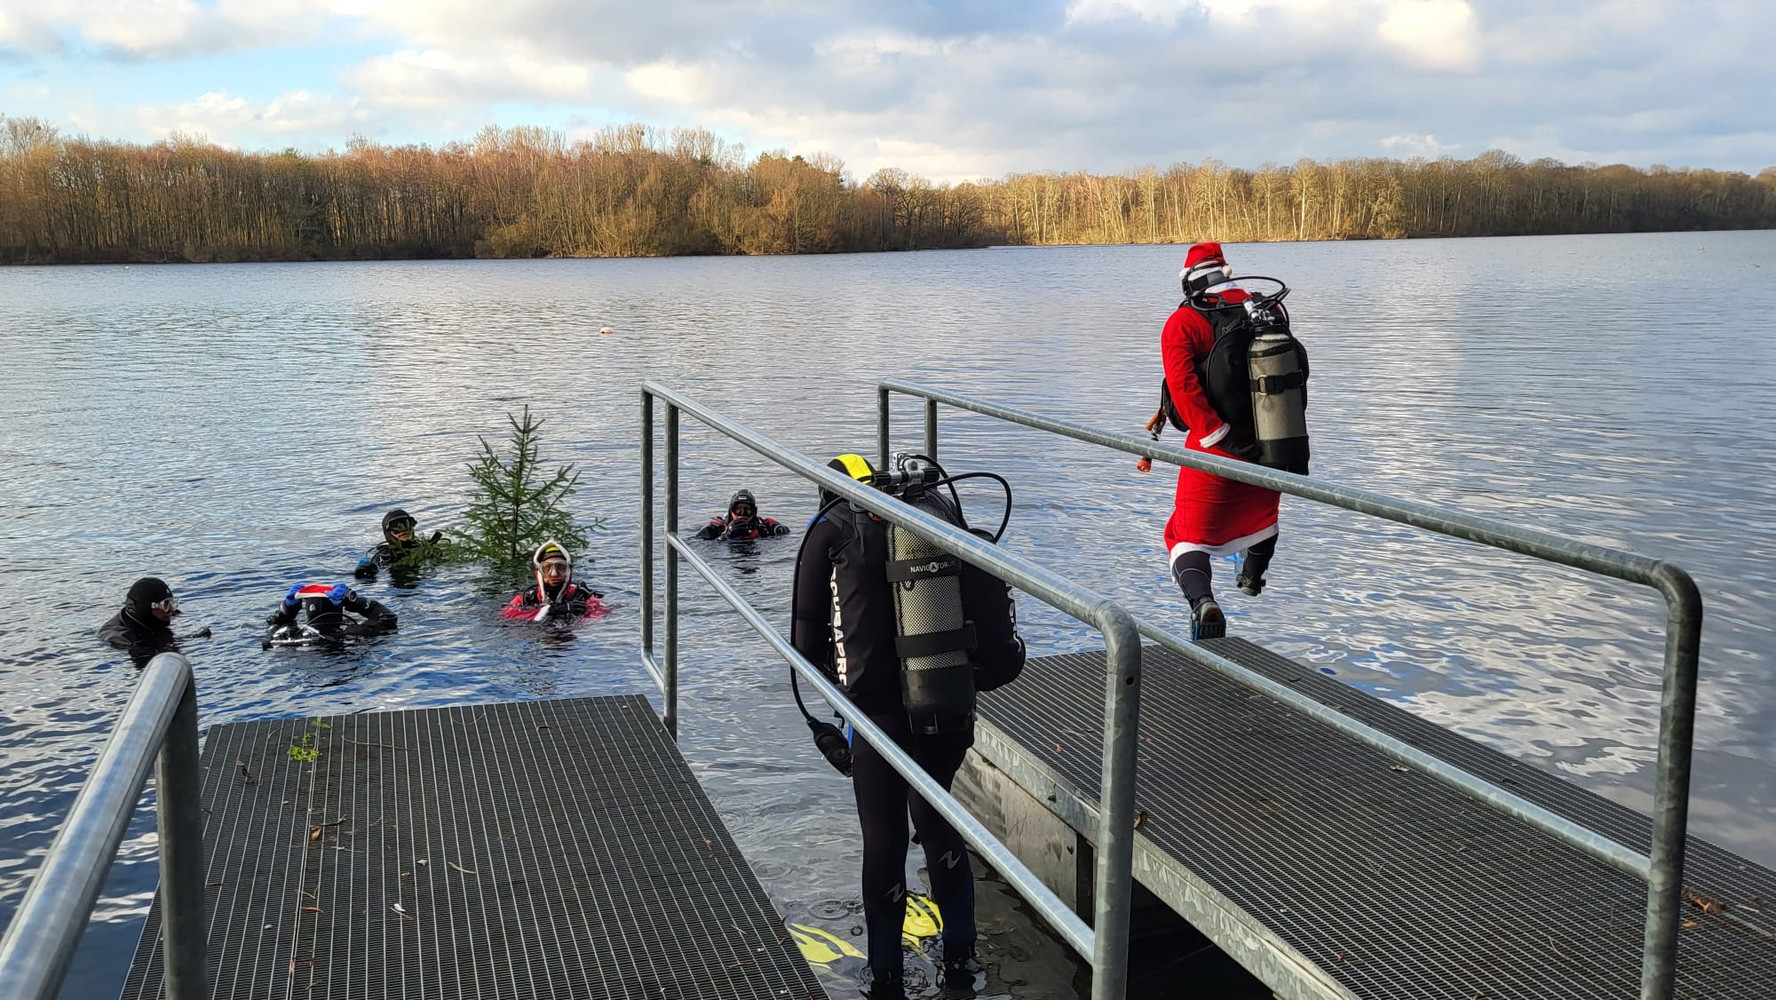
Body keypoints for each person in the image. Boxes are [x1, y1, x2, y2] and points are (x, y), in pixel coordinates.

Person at [790, 454, 1000, 999]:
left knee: (883, 838)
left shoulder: (830, 527)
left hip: (875, 715)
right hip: (946, 700)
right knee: (935, 818)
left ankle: (884, 976)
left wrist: (838, 710)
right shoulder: (935, 512)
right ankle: (961, 957)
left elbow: (804, 645)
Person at [1162, 242, 1282, 640]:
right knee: (1260, 519)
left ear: (1188, 281)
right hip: (1271, 444)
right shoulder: (1267, 309)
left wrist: (1216, 436)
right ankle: (1252, 577)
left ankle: (1203, 602)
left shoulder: (1184, 321)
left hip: (1215, 449)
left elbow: (1182, 387)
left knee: (1184, 535)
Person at [99, 577, 209, 667]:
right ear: (145, 609)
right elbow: (146, 648)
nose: (171, 610)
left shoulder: (156, 617)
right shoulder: (119, 636)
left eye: (172, 603)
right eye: (165, 605)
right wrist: (190, 639)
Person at [501, 540, 608, 621]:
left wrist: (585, 612)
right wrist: (550, 611)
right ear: (539, 573)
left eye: (561, 567)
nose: (554, 574)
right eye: (547, 568)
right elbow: (505, 616)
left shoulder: (581, 596)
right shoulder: (527, 598)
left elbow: (602, 615)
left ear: (569, 572)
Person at [264, 583, 398, 642]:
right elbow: (388, 619)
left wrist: (288, 609)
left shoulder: (292, 635)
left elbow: (272, 626)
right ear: (338, 607)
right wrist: (354, 601)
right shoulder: (354, 632)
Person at [354, 508, 443, 580]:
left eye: (407, 525)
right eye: (396, 527)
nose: (403, 530)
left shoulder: (427, 549)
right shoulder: (383, 556)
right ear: (388, 533)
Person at [694, 489, 791, 541]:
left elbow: (785, 534)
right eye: (738, 509)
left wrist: (780, 529)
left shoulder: (763, 525)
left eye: (747, 509)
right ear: (731, 510)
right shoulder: (718, 526)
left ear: (754, 511)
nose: (742, 513)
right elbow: (698, 543)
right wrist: (726, 536)